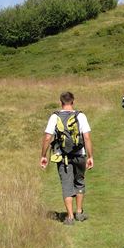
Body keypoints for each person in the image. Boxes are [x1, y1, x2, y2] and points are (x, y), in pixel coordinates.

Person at [40, 91, 94, 226]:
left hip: (62, 156)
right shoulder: (80, 116)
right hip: (79, 154)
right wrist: (90, 156)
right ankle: (79, 213)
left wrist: (43, 155)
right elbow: (86, 137)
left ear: (61, 102)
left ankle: (69, 217)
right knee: (79, 182)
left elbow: (47, 137)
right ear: (73, 101)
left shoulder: (55, 117)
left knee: (66, 185)